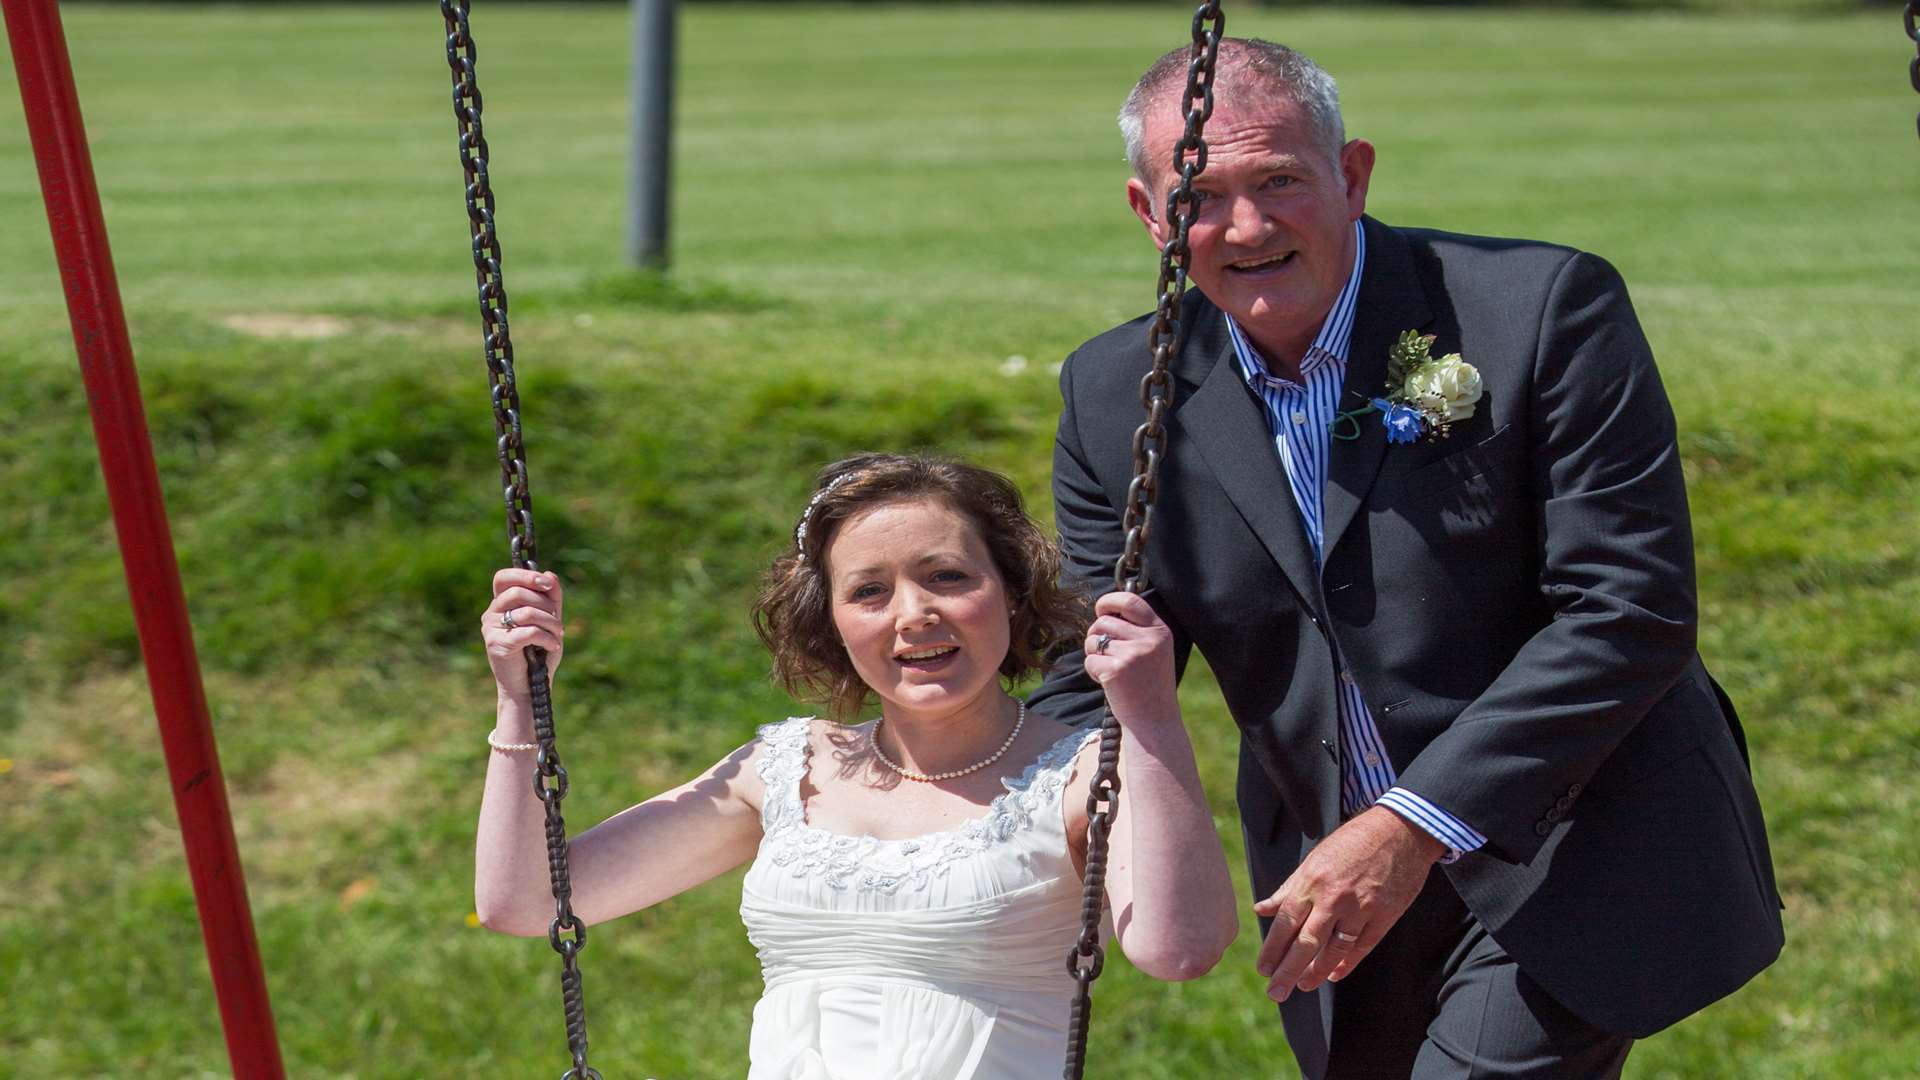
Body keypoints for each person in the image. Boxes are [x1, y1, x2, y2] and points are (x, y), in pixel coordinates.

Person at [1028, 39, 1783, 1079]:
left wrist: (1409, 825)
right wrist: (940, 797)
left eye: (1281, 182)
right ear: (1149, 214)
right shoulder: (1115, 394)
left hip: (1572, 842)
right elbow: (1084, 673)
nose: (1246, 228)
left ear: (1353, 174)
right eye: (1201, 197)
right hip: (1332, 892)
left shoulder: (1542, 310)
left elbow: (1629, 610)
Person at [474, 452, 1237, 1079]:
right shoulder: (780, 771)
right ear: (833, 624)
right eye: (869, 592)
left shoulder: (1082, 776)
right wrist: (519, 701)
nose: (913, 613)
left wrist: (1150, 719)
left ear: (1010, 591)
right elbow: (527, 902)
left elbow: (1178, 949)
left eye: (947, 576)